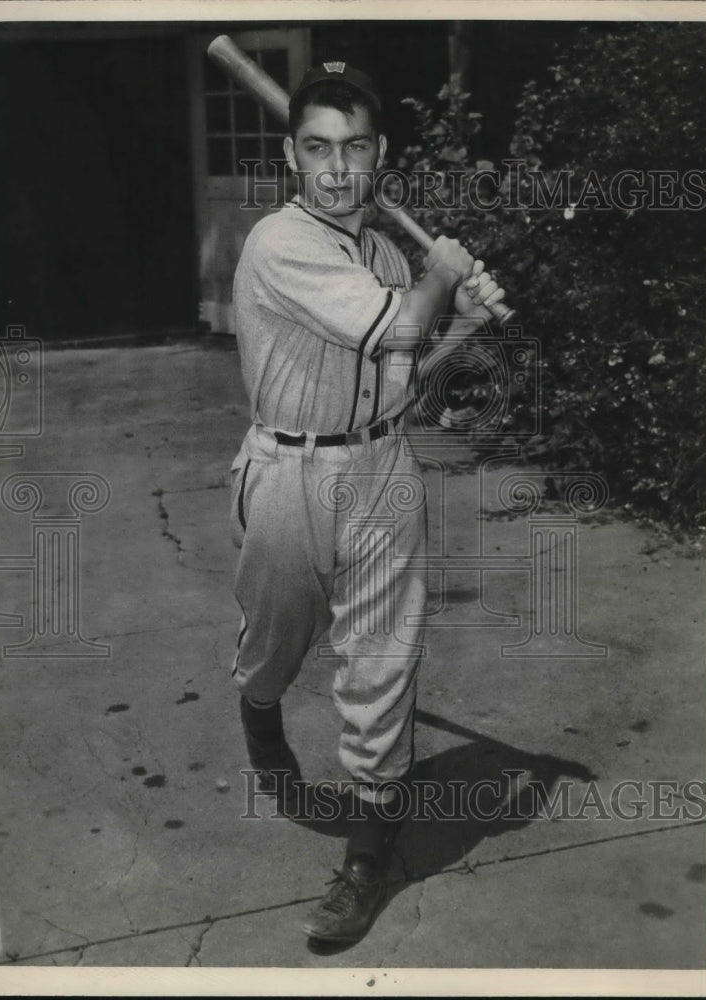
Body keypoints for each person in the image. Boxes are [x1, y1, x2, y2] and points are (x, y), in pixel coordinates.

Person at [229, 61, 505, 943]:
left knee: (381, 662)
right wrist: (441, 279)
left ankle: (367, 851)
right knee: (275, 644)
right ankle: (261, 713)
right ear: (291, 153)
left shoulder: (385, 254)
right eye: (318, 148)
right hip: (285, 471)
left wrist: (457, 318)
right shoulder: (278, 243)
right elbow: (394, 321)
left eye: (353, 149)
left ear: (377, 154)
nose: (338, 169)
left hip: (382, 470)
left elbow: (403, 384)